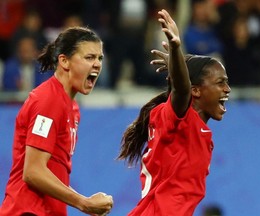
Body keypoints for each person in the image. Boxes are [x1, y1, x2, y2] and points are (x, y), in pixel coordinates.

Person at [118, 9, 231, 215]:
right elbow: (181, 89)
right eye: (220, 83)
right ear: (195, 90)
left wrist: (182, 61)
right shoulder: (177, 118)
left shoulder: (197, 130)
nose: (227, 89)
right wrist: (176, 47)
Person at [0, 26, 113, 216]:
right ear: (64, 61)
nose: (97, 64)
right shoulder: (48, 100)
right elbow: (33, 171)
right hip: (28, 211)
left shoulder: (71, 107)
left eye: (100, 58)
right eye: (89, 57)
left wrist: (85, 202)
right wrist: (83, 203)